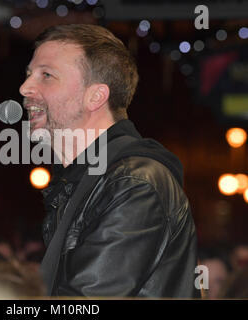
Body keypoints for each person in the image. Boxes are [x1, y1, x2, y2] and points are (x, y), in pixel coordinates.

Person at [19, 24, 200, 297]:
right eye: (29, 74)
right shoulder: (86, 179)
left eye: (46, 75)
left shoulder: (135, 182)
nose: (25, 88)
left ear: (96, 96)